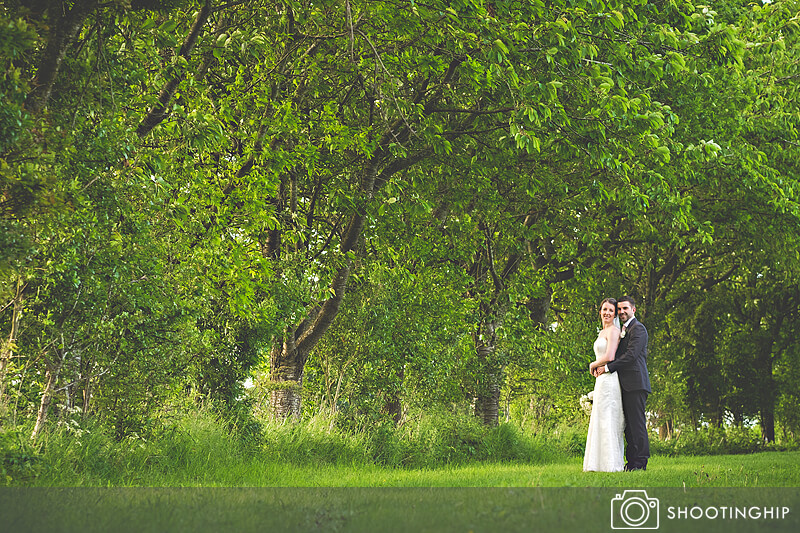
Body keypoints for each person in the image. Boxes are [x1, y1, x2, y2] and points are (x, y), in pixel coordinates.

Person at [594, 295, 651, 471]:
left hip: (636, 383)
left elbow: (631, 355)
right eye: (619, 309)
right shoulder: (622, 329)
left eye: (625, 308)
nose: (622, 312)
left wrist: (608, 367)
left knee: (637, 425)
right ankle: (631, 463)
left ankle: (640, 464)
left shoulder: (638, 329)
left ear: (633, 309)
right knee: (627, 428)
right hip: (623, 384)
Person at [583, 298, 625, 472]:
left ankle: (610, 464)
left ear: (614, 314)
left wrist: (593, 364)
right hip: (600, 380)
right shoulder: (601, 332)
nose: (607, 313)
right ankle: (596, 463)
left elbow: (610, 356)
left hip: (609, 379)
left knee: (608, 418)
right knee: (599, 418)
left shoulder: (613, 331)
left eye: (611, 310)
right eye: (604, 309)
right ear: (599, 311)